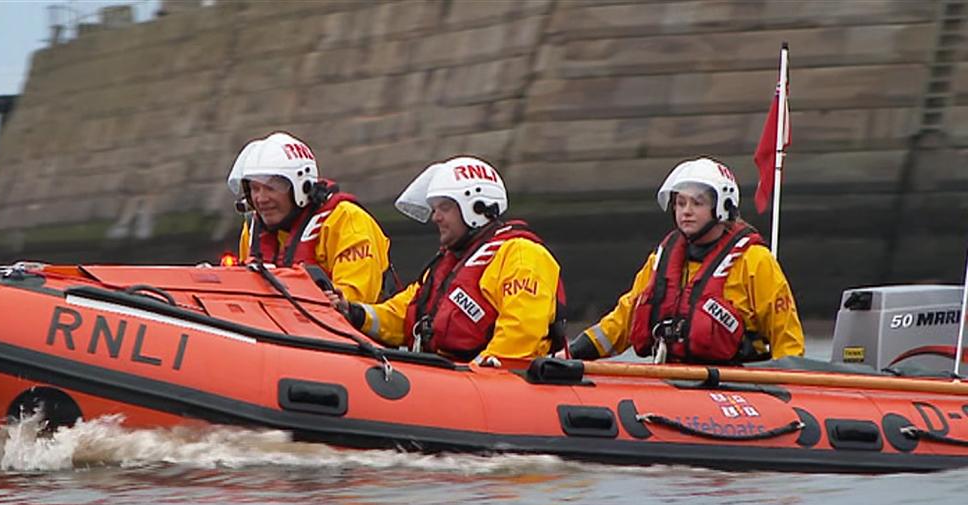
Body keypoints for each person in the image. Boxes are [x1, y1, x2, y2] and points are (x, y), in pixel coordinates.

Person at [327, 156, 567, 366]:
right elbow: (405, 312)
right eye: (434, 208)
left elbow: (521, 332)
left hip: (497, 388)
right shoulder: (448, 263)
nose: (436, 217)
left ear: (476, 207)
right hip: (447, 378)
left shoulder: (522, 256)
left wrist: (474, 375)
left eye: (445, 207)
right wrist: (355, 312)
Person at [569, 157, 804, 363]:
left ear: (722, 207)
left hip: (734, 383)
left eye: (697, 203)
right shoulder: (661, 261)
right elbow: (623, 319)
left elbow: (787, 337)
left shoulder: (754, 261)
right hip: (674, 380)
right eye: (680, 203)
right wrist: (574, 352)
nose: (686, 211)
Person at [227, 131, 397, 303]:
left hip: (343, 327)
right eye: (255, 189)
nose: (261, 199)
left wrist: (332, 300)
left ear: (301, 187)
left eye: (271, 188)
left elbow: (355, 300)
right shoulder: (253, 231)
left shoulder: (348, 221)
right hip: (279, 321)